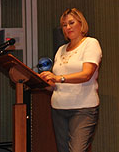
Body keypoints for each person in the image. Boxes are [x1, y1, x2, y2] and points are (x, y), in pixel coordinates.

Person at [39, 8, 102, 152]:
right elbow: (55, 85)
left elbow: (86, 74)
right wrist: (42, 81)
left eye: (71, 23)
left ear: (81, 24)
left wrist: (58, 78)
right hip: (59, 109)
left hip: (83, 110)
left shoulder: (90, 43)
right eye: (64, 25)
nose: (68, 27)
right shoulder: (61, 50)